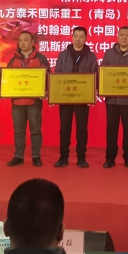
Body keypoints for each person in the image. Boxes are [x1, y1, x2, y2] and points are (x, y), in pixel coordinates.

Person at [101, 26, 128, 168]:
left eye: (127, 35)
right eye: (122, 35)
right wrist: (103, 89)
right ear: (117, 36)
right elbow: (103, 74)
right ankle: (110, 159)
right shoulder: (109, 53)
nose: (124, 37)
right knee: (111, 130)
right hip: (112, 100)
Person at [53, 27, 98, 168]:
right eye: (76, 36)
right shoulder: (63, 55)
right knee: (64, 128)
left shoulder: (91, 56)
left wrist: (92, 95)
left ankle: (81, 158)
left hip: (82, 98)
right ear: (72, 37)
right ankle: (63, 157)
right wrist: (55, 94)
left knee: (82, 129)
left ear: (85, 39)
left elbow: (95, 76)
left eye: (81, 37)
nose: (78, 39)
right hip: (65, 98)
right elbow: (57, 74)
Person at [6, 31, 50, 167]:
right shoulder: (13, 60)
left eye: (26, 40)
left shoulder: (41, 59)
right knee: (19, 131)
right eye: (20, 40)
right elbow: (7, 79)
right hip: (17, 102)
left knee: (35, 130)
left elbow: (48, 78)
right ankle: (18, 156)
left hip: (34, 102)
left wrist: (45, 91)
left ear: (32, 42)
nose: (23, 43)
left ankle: (36, 156)